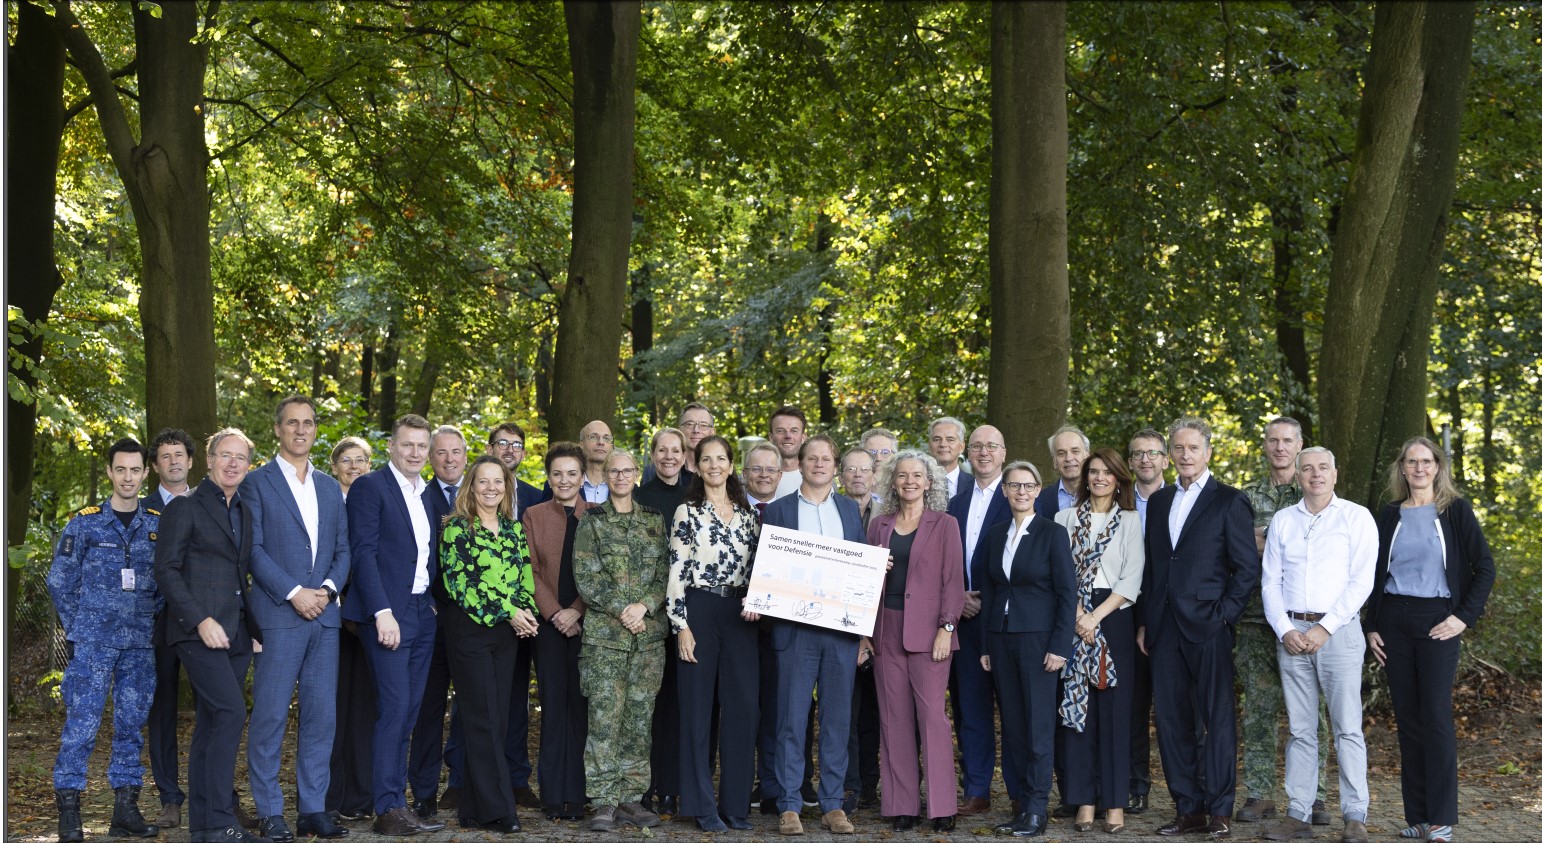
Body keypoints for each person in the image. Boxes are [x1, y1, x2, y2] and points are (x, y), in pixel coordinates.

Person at [1363, 438, 1495, 843]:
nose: (1419, 468)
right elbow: (1371, 574)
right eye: (1411, 461)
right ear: (1401, 468)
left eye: (1426, 461)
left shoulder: (1454, 511)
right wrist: (1371, 625)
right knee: (1408, 721)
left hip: (1438, 619)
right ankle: (1418, 816)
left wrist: (1462, 618)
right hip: (1394, 622)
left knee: (1435, 717)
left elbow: (1484, 568)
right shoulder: (1388, 514)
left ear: (1438, 466)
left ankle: (1440, 818)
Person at [1137, 417, 1259, 840]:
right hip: (1164, 627)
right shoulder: (1158, 501)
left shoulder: (1229, 500)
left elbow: (1246, 569)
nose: (1185, 455)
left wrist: (1224, 614)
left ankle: (1220, 810)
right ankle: (1187, 809)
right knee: (1171, 721)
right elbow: (1153, 567)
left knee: (1217, 719)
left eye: (1193, 448)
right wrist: (1145, 622)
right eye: (1178, 448)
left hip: (1209, 625)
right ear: (1170, 455)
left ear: (1208, 452)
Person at [244, 397, 351, 842]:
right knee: (269, 716)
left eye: (308, 423)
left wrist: (325, 591)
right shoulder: (256, 483)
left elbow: (343, 550)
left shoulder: (329, 487)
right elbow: (253, 550)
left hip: (324, 620)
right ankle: (270, 812)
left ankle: (312, 809)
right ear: (278, 430)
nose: (301, 430)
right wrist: (293, 593)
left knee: (321, 718)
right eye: (292, 423)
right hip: (279, 616)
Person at [1259, 447, 1377, 843]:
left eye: (1322, 468)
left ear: (1335, 474)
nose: (1315, 475)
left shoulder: (1356, 518)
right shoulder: (1283, 521)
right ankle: (1298, 815)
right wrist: (1283, 629)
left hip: (1338, 633)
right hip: (1291, 633)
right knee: (1301, 729)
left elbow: (1361, 582)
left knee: (1347, 728)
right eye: (1306, 468)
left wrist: (1323, 629)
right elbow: (1270, 581)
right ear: (1298, 475)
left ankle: (1354, 816)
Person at [154, 428, 265, 843]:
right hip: (195, 631)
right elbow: (165, 569)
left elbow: (240, 575)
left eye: (241, 458)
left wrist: (251, 628)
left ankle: (203, 827)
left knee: (211, 722)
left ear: (248, 467)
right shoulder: (185, 507)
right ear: (210, 460)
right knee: (232, 713)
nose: (233, 463)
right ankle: (220, 821)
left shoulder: (244, 512)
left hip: (236, 633)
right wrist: (200, 619)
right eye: (225, 455)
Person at [49, 438, 163, 843]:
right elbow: (60, 581)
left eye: (135, 470)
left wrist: (152, 618)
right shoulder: (84, 523)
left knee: (131, 725)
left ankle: (125, 810)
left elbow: (167, 581)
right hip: (94, 644)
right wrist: (80, 626)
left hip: (140, 643)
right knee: (81, 725)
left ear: (145, 473)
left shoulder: (156, 524)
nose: (128, 477)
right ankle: (69, 813)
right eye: (121, 470)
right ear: (110, 472)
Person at [342, 414, 444, 837]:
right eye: (408, 445)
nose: (416, 453)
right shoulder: (371, 487)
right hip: (388, 613)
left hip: (423, 611)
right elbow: (363, 553)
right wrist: (381, 611)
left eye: (423, 446)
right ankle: (386, 808)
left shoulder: (428, 494)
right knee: (394, 709)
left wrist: (433, 603)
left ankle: (398, 803)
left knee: (411, 713)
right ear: (391, 447)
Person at [761, 434, 864, 836]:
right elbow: (766, 566)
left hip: (840, 633)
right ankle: (789, 804)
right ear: (800, 464)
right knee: (791, 718)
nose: (819, 464)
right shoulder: (779, 511)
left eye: (827, 459)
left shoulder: (850, 511)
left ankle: (833, 804)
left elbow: (859, 567)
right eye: (812, 458)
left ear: (834, 466)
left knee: (837, 720)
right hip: (795, 631)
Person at [438, 456, 540, 832]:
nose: (491, 488)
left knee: (496, 720)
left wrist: (526, 612)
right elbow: (462, 587)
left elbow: (524, 577)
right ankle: (499, 810)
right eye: (483, 481)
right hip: (471, 632)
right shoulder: (456, 529)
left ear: (506, 487)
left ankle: (473, 806)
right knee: (480, 719)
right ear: (471, 486)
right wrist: (510, 611)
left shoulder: (513, 529)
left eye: (498, 481)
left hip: (507, 636)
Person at [863, 451, 963, 832]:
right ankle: (902, 804)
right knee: (893, 719)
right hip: (885, 630)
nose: (909, 481)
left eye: (916, 476)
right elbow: (864, 582)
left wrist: (947, 628)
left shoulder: (945, 524)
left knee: (933, 719)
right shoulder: (880, 526)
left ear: (929, 482)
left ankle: (942, 807)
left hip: (930, 634)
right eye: (902, 475)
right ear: (893, 481)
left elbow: (953, 582)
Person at [667, 435, 762, 832]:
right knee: (696, 711)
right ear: (697, 465)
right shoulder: (686, 512)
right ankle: (701, 806)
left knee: (743, 710)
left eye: (721, 459)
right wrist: (681, 626)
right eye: (706, 459)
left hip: (741, 615)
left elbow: (762, 568)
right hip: (700, 611)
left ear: (730, 464)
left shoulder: (748, 515)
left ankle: (735, 806)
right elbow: (675, 571)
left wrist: (760, 599)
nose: (714, 466)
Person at [1237, 418, 1330, 826]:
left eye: (1287, 441)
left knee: (1311, 712)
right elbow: (1238, 547)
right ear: (1264, 445)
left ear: (1300, 445)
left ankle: (1317, 795)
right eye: (1273, 440)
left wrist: (1266, 537)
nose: (1280, 448)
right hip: (1256, 618)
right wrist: (1270, 538)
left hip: (1307, 621)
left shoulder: (1313, 489)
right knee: (1258, 708)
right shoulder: (1245, 496)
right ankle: (1260, 793)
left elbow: (1322, 546)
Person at [572, 449, 670, 833]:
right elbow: (587, 577)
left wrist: (644, 606)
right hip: (606, 642)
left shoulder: (653, 520)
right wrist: (624, 610)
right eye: (614, 471)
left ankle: (631, 797)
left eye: (628, 470)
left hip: (646, 641)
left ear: (636, 475)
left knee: (638, 721)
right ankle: (603, 801)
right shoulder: (592, 521)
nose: (621, 476)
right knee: (604, 720)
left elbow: (666, 571)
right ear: (606, 475)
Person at [978, 460, 1074, 838]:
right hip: (1001, 640)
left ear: (1038, 491)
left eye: (1028, 486)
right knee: (1014, 729)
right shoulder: (997, 532)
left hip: (1039, 642)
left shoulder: (1052, 533)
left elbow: (1067, 594)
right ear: (1004, 490)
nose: (1021, 491)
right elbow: (990, 591)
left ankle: (1037, 810)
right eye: (1014, 485)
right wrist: (986, 643)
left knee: (1037, 729)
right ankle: (1019, 806)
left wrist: (1059, 645)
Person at [1053, 449, 1144, 834]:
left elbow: (1132, 577)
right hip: (1071, 617)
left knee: (1115, 715)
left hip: (1114, 618)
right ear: (1085, 477)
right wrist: (1077, 616)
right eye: (1094, 472)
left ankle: (1115, 804)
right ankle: (1084, 801)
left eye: (1108, 472)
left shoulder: (1130, 520)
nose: (1100, 478)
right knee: (1079, 717)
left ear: (1119, 478)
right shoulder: (1063, 518)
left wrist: (1094, 617)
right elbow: (1059, 574)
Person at [945, 424, 1015, 816]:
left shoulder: (1020, 493)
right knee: (971, 708)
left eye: (992, 446)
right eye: (977, 446)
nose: (984, 452)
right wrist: (958, 598)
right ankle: (977, 789)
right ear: (966, 453)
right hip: (965, 620)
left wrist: (986, 598)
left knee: (1015, 709)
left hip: (1008, 621)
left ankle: (1021, 791)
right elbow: (944, 559)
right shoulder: (956, 501)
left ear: (1003, 453)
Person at [524, 443, 593, 821]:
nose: (564, 480)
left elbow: (601, 573)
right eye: (557, 473)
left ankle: (578, 794)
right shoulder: (533, 515)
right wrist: (555, 613)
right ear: (548, 477)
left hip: (587, 625)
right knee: (554, 708)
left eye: (571, 473)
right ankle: (553, 795)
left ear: (582, 477)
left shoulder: (598, 516)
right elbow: (529, 569)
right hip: (548, 626)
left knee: (581, 708)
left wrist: (577, 610)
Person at [409, 426, 469, 820]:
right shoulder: (418, 497)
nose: (449, 459)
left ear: (467, 455)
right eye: (441, 453)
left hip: (473, 623)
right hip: (431, 619)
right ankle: (424, 793)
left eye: (456, 452)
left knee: (473, 709)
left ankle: (465, 786)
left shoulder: (482, 494)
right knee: (428, 710)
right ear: (431, 458)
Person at [481, 423, 541, 809]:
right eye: (501, 443)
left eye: (516, 445)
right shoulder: (474, 495)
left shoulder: (537, 496)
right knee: (479, 700)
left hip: (525, 618)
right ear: (490, 448)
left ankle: (516, 778)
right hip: (481, 619)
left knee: (517, 699)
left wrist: (527, 610)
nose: (509, 449)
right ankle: (467, 777)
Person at [635, 427, 693, 818]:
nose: (669, 456)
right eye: (662, 450)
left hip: (690, 614)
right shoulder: (638, 496)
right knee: (646, 704)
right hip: (649, 614)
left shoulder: (697, 494)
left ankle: (672, 788)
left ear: (685, 455)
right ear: (652, 455)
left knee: (677, 703)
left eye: (676, 450)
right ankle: (644, 786)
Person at [325, 437, 376, 823]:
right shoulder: (325, 502)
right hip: (328, 618)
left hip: (371, 618)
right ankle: (330, 794)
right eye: (347, 460)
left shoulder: (374, 502)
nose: (355, 466)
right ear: (335, 465)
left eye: (361, 460)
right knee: (332, 707)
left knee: (364, 707)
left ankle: (360, 796)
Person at [147, 428, 196, 829]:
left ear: (192, 461)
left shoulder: (210, 504)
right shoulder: (142, 509)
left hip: (203, 623)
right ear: (155, 466)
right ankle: (169, 799)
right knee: (161, 710)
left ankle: (217, 796)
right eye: (165, 456)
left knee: (215, 709)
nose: (173, 461)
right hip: (157, 624)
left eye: (179, 454)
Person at [1124, 428, 1167, 816]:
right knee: (1133, 709)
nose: (1145, 460)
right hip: (1126, 615)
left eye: (1153, 453)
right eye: (1138, 454)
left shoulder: (1182, 500)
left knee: (1181, 711)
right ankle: (1136, 785)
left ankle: (1191, 792)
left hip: (1173, 619)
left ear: (1165, 460)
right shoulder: (1120, 503)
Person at [642, 403, 714, 484]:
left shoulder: (720, 471)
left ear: (712, 432)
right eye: (689, 424)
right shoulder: (652, 472)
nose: (696, 430)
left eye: (703, 425)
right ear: (680, 430)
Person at [486, 422, 546, 515]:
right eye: (503, 443)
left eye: (517, 445)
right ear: (490, 450)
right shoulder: (475, 492)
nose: (510, 450)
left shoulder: (538, 498)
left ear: (523, 454)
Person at [1038, 425, 1089, 518]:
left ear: (1087, 456)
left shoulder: (1101, 494)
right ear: (1054, 462)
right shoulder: (1040, 499)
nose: (1069, 458)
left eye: (1075, 451)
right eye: (1061, 453)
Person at [768, 405, 809, 500]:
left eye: (794, 431)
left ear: (803, 437)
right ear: (770, 437)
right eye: (780, 431)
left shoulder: (819, 478)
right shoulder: (755, 478)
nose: (788, 436)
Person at [927, 417, 969, 498]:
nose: (943, 444)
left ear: (961, 446)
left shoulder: (975, 484)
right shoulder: (917, 483)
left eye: (950, 440)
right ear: (929, 446)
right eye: (937, 439)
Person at [840, 448, 879, 531]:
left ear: (874, 478)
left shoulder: (887, 514)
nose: (858, 474)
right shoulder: (829, 511)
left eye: (864, 469)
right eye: (851, 469)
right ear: (841, 478)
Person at [577, 420, 615, 503]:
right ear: (581, 446)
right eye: (593, 437)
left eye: (606, 438)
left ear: (611, 448)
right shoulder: (563, 484)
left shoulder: (626, 487)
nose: (601, 442)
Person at [743, 442, 783, 511]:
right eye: (756, 469)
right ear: (745, 474)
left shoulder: (790, 513)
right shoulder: (730, 511)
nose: (764, 475)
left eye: (770, 470)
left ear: (779, 476)